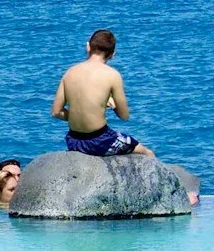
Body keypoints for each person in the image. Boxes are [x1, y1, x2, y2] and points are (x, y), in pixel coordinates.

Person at [51, 29, 154, 157]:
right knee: (145, 151)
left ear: (88, 46)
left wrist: (80, 114)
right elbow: (124, 116)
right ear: (112, 54)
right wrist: (112, 103)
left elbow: (55, 112)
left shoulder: (69, 72)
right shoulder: (112, 75)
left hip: (74, 141)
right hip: (100, 141)